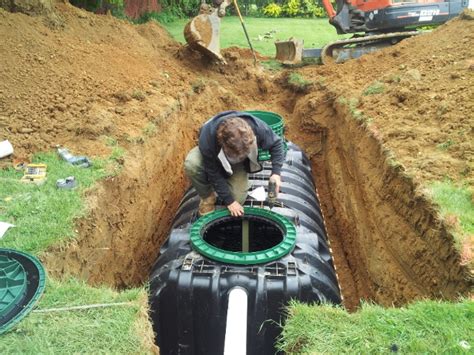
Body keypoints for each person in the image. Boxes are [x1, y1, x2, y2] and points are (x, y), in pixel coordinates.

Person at [184, 111, 285, 217]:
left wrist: (276, 173)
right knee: (192, 163)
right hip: (215, 157)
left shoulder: (256, 126)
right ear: (223, 144)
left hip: (238, 165)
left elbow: (277, 143)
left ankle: (238, 180)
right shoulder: (208, 139)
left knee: (238, 199)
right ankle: (207, 197)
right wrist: (229, 202)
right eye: (237, 155)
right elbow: (213, 172)